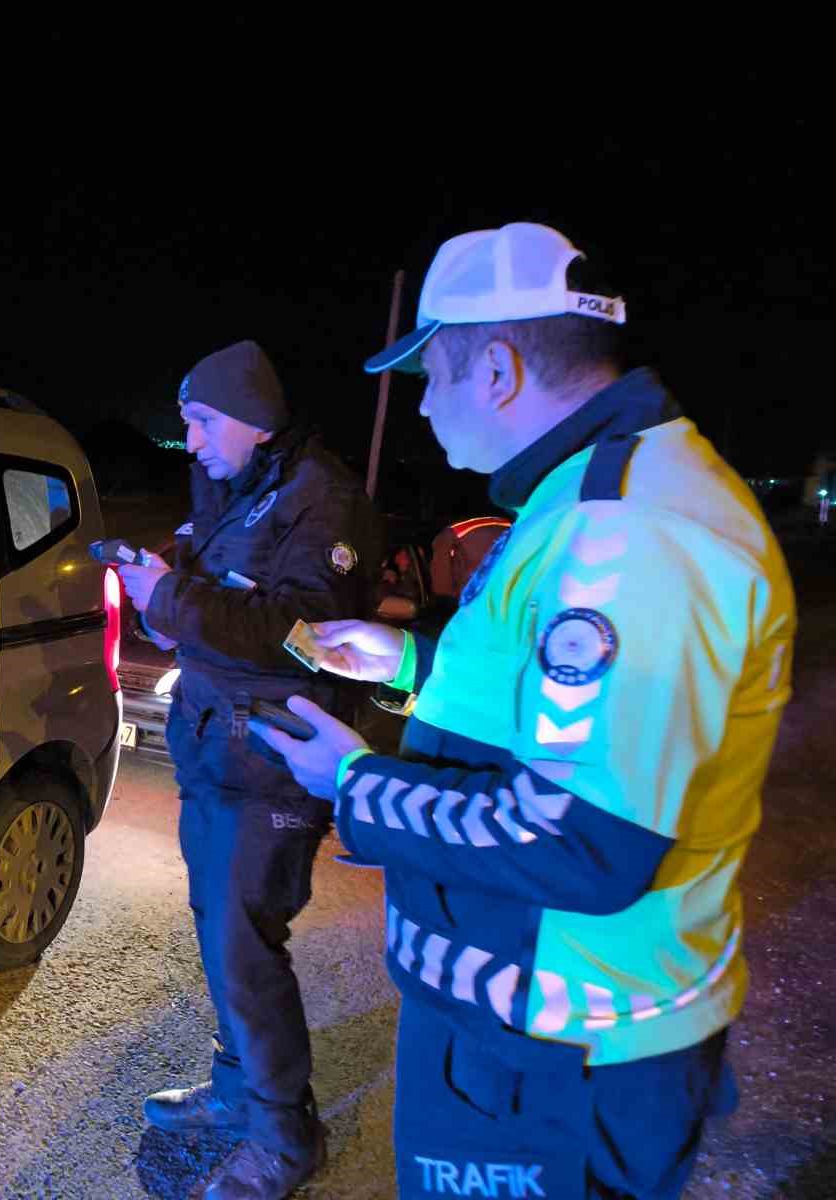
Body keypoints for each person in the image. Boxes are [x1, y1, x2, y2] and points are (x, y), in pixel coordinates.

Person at [252, 223, 796, 1199]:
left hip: (556, 1047)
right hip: (531, 1026)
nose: (418, 405)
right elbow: (547, 706)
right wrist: (406, 663)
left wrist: (351, 782)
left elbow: (586, 839)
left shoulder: (630, 531)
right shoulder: (586, 498)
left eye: (428, 376)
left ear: (496, 368)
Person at [119, 339, 382, 1199]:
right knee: (218, 929)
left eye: (199, 420)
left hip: (269, 753)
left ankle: (281, 1136)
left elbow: (308, 633)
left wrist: (172, 600)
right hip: (207, 738)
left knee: (245, 945)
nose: (188, 438)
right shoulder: (231, 485)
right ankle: (239, 1090)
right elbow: (203, 581)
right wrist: (163, 598)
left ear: (250, 420)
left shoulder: (326, 501)